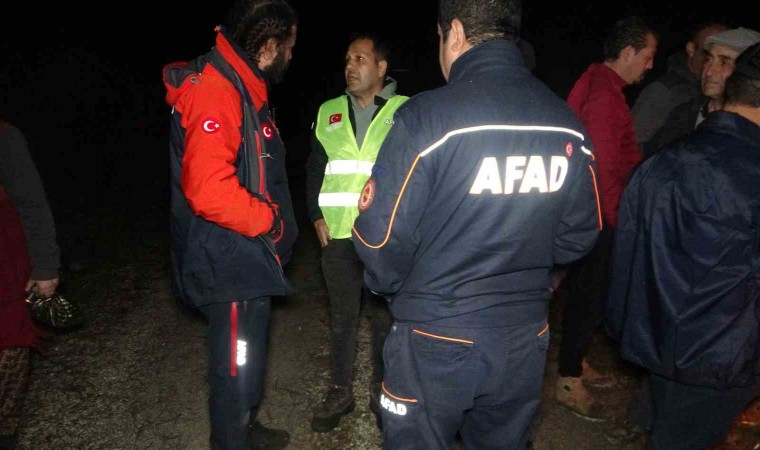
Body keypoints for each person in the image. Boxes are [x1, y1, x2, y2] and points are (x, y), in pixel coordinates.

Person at [351, 0, 602, 447]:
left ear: (456, 33)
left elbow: (379, 238)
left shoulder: (427, 118)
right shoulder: (566, 125)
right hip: (524, 338)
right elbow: (581, 233)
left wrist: (394, 289)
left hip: (435, 335)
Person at [604, 25, 760, 444]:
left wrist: (629, 326)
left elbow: (630, 250)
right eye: (710, 57)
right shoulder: (739, 168)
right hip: (717, 355)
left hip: (662, 338)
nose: (712, 68)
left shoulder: (663, 162)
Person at [162, 1, 299, 448]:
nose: (292, 57)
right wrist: (269, 221)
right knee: (234, 367)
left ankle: (246, 425)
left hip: (250, 257)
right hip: (230, 260)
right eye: (291, 47)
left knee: (250, 356)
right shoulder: (218, 88)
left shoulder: (245, 86)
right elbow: (207, 189)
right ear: (271, 45)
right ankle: (230, 437)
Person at [556, 15, 657, 421]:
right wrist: (614, 221)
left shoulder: (603, 84)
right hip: (598, 216)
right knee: (587, 297)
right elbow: (599, 167)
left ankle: (574, 362)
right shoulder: (603, 94)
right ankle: (567, 379)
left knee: (582, 294)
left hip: (597, 213)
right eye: (648, 56)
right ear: (628, 52)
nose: (650, 66)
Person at [305, 32, 407, 433]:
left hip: (384, 237)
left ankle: (382, 392)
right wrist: (315, 215)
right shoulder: (328, 111)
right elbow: (315, 167)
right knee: (343, 318)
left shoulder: (407, 111)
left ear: (381, 68)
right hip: (338, 236)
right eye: (348, 59)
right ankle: (340, 390)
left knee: (385, 320)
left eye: (361, 59)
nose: (351, 66)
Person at [0, 120, 61, 450]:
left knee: (9, 348)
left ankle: (5, 434)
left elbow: (32, 203)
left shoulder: (4, 137)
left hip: (6, 272)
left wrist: (45, 266)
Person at [645, 27, 760, 156]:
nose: (709, 71)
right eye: (708, 59)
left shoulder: (751, 129)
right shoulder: (683, 114)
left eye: (724, 62)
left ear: (746, 72)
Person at [631, 21, 728, 153]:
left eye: (723, 61)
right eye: (707, 55)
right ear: (691, 49)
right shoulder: (664, 91)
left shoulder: (724, 99)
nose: (711, 69)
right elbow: (632, 147)